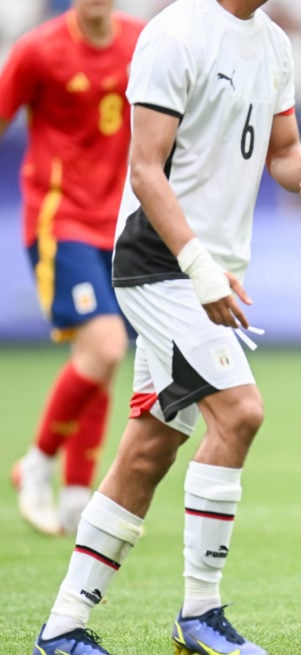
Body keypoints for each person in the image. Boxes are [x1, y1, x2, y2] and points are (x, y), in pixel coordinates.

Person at [31, 0, 301, 653]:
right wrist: (200, 269)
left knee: (148, 449)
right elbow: (145, 169)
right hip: (159, 267)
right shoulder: (176, 33)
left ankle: (61, 629)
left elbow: (280, 151)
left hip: (206, 272)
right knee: (241, 412)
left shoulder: (275, 45)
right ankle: (200, 614)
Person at [1, 0, 145, 537]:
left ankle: (78, 495)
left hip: (123, 224)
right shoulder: (38, 51)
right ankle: (36, 464)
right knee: (106, 345)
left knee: (100, 358)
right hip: (60, 222)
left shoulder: (143, 41)